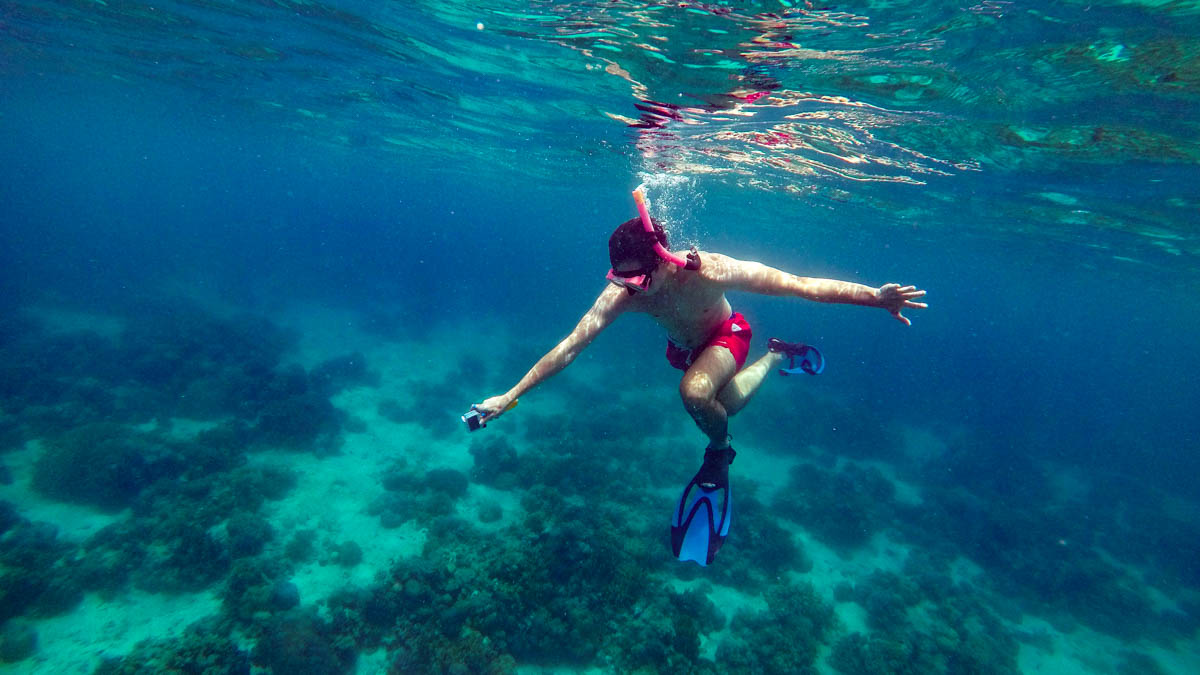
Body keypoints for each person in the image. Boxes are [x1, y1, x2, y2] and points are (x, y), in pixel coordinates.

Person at [473, 187, 927, 565]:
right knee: (720, 405)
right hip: (686, 349)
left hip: (728, 336)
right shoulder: (625, 291)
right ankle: (776, 357)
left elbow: (801, 284)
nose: (627, 291)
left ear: (664, 260)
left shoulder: (710, 270)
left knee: (696, 395)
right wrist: (510, 395)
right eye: (621, 281)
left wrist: (873, 296)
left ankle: (719, 452)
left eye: (636, 282)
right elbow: (569, 346)